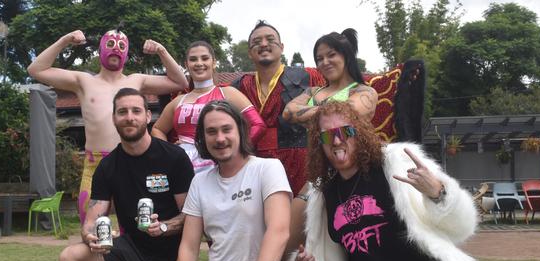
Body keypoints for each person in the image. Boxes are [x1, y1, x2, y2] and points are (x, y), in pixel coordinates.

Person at [287, 102, 487, 261]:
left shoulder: (395, 162)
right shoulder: (324, 194)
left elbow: (463, 227)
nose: (336, 139)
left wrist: (438, 192)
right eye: (326, 135)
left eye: (345, 131)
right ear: (319, 144)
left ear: (359, 132)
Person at [28, 27, 189, 261]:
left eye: (121, 44)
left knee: (139, 236)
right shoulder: (83, 80)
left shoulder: (138, 80)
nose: (116, 47)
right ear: (100, 47)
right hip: (96, 167)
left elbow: (181, 82)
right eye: (110, 43)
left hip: (134, 168)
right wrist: (63, 40)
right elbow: (36, 69)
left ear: (127, 51)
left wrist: (161, 51)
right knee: (93, 238)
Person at [57, 88, 194, 261]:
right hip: (130, 250)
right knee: (70, 258)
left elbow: (192, 217)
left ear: (147, 116)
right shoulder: (108, 166)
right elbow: (95, 212)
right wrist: (89, 233)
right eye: (122, 112)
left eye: (135, 111)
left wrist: (165, 227)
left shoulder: (174, 158)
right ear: (114, 118)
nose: (129, 117)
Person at [157, 100, 292, 261]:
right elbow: (188, 247)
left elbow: (279, 232)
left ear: (241, 131)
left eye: (226, 129)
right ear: (202, 138)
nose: (220, 138)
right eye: (211, 132)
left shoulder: (267, 168)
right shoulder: (200, 182)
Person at [232, 20, 325, 194]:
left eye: (270, 39)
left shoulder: (308, 77)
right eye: (257, 42)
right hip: (253, 161)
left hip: (300, 161)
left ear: (281, 47)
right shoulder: (239, 85)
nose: (264, 44)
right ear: (250, 53)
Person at [151, 41, 266, 173]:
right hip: (182, 169)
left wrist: (237, 150)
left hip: (221, 166)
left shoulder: (228, 93)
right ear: (186, 65)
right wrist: (169, 152)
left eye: (205, 58)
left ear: (214, 62)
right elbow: (157, 129)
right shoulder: (178, 101)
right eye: (193, 59)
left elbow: (258, 125)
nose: (199, 63)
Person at [282, 28, 378, 127]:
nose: (325, 62)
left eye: (331, 55)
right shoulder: (312, 91)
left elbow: (340, 116)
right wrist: (328, 111)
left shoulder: (365, 92)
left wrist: (303, 112)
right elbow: (287, 112)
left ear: (347, 57)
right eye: (320, 59)